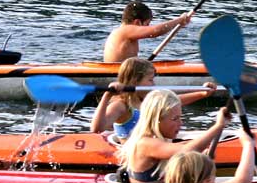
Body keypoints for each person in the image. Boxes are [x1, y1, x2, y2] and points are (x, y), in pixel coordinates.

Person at [115, 89, 230, 182]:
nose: (181, 123)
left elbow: (185, 146)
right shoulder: (145, 143)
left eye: (180, 117)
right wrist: (218, 126)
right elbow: (186, 150)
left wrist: (203, 151)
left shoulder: (157, 140)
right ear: (157, 120)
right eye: (175, 119)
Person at [90, 59, 218, 138]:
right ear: (135, 81)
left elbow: (174, 101)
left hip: (151, 147)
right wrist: (107, 96)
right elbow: (96, 129)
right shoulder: (121, 105)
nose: (154, 84)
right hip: (132, 153)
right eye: (150, 80)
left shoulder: (147, 101)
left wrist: (202, 94)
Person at [103, 0, 193, 63]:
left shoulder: (124, 32)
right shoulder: (126, 30)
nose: (147, 27)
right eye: (147, 24)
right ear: (137, 22)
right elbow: (155, 31)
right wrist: (180, 19)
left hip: (122, 70)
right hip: (117, 72)